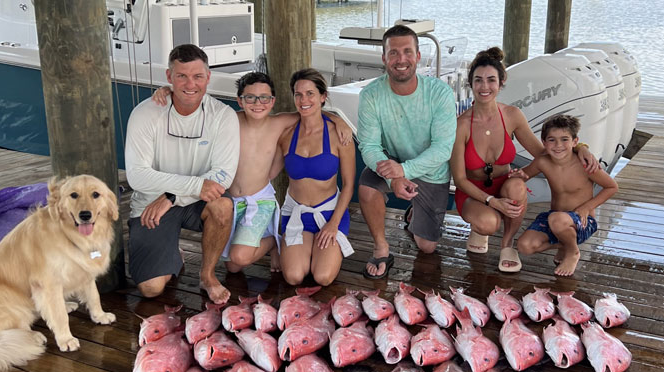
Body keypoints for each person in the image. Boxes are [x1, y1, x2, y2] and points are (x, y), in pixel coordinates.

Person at [151, 73, 352, 276]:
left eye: (264, 98)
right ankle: (272, 242)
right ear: (240, 100)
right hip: (231, 201)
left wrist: (337, 120)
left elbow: (309, 111)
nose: (257, 103)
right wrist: (170, 91)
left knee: (242, 258)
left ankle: (273, 241)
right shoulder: (230, 120)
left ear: (272, 101)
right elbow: (197, 106)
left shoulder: (278, 123)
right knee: (233, 267)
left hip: (261, 201)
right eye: (250, 98)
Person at [450, 47, 598, 273]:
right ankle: (479, 228)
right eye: (478, 80)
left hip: (505, 184)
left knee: (517, 186)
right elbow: (460, 179)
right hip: (473, 191)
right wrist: (492, 202)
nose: (484, 86)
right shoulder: (461, 125)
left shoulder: (512, 115)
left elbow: (544, 152)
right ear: (470, 83)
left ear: (501, 83)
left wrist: (580, 148)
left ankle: (507, 245)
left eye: (491, 80)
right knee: (489, 223)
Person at [124, 44, 238, 304]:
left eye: (198, 76)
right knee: (151, 289)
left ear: (208, 77)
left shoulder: (223, 115)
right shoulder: (145, 113)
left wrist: (172, 197)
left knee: (222, 206)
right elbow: (137, 176)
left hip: (189, 201)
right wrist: (193, 187)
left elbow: (223, 177)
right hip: (150, 204)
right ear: (169, 76)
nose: (190, 84)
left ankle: (207, 275)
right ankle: (171, 251)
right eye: (181, 76)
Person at [357, 24, 457, 279]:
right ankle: (381, 248)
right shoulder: (371, 95)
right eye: (393, 53)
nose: (401, 59)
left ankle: (413, 213)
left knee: (427, 246)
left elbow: (443, 149)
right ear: (384, 58)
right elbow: (369, 145)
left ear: (418, 56)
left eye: (407, 52)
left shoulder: (440, 93)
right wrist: (394, 178)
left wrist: (404, 170)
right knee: (367, 188)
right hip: (393, 164)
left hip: (430, 170)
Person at [273, 68, 355, 286]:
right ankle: (287, 246)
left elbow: (348, 185)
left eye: (310, 93)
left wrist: (333, 224)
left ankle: (321, 250)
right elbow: (268, 174)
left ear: (323, 96)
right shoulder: (286, 134)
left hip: (329, 214)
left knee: (323, 277)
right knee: (293, 276)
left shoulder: (339, 135)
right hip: (296, 214)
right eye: (298, 94)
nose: (304, 100)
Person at [514, 114, 618, 276]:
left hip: (583, 221)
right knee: (524, 246)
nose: (558, 145)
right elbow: (523, 175)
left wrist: (587, 207)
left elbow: (611, 186)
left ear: (575, 142)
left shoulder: (585, 164)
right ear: (543, 142)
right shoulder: (542, 162)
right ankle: (564, 244)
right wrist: (516, 175)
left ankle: (573, 252)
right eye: (552, 140)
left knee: (557, 219)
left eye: (564, 140)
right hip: (555, 218)